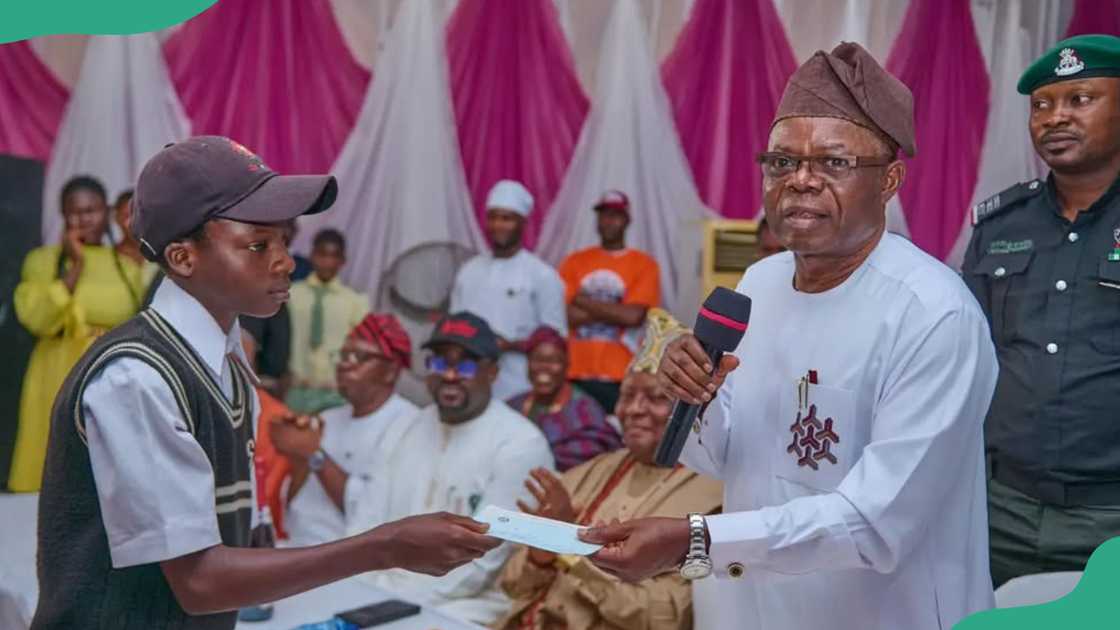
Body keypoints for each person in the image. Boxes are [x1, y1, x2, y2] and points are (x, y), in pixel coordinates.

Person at [576, 43, 999, 630]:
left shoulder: (933, 314)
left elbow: (876, 524)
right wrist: (693, 397)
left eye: (834, 163)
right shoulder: (758, 283)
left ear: (890, 180)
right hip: (751, 608)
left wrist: (696, 540)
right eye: (781, 162)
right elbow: (728, 458)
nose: (800, 181)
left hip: (879, 613)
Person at [31, 137, 500, 630]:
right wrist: (385, 546)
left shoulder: (227, 366)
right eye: (258, 245)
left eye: (283, 241)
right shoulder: (139, 378)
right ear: (183, 258)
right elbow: (201, 583)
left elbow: (236, 537)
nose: (284, 262)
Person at [964, 34, 1120, 587]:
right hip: (1000, 506)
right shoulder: (1001, 224)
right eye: (1042, 105)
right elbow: (966, 357)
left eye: (1080, 100)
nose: (1055, 118)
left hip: (1111, 519)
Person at [496, 309, 722, 630]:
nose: (634, 410)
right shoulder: (590, 471)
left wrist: (570, 548)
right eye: (627, 395)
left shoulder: (713, 498)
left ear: (689, 412)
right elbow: (511, 585)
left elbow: (667, 618)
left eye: (655, 398)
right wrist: (539, 555)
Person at [345, 311, 554, 625]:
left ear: (493, 373)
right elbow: (365, 521)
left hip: (467, 605)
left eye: (466, 365)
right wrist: (362, 588)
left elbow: (482, 564)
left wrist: (392, 604)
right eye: (440, 363)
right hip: (379, 590)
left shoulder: (521, 444)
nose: (450, 375)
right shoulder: (404, 426)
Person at [8, 175, 149, 493]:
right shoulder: (42, 261)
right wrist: (75, 266)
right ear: (63, 214)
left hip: (111, 369)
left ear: (107, 212)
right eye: (75, 212)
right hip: (56, 368)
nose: (84, 219)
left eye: (92, 210)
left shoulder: (127, 268)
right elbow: (37, 319)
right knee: (51, 462)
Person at [271, 313, 419, 547]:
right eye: (343, 355)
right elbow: (292, 505)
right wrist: (295, 454)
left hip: (347, 563)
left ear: (391, 370)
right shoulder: (327, 418)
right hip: (293, 548)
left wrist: (315, 455)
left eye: (360, 356)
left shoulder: (410, 426)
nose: (344, 364)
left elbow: (374, 514)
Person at [450, 180, 568, 400]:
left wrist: (509, 345)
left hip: (521, 388)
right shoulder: (468, 271)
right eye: (493, 217)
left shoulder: (542, 275)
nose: (498, 225)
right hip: (471, 387)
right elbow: (454, 327)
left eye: (506, 218)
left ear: (522, 223)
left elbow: (555, 342)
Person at [558, 190, 660, 413]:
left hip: (622, 372)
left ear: (627, 220)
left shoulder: (644, 264)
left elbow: (633, 317)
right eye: (604, 215)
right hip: (575, 370)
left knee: (617, 440)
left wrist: (582, 301)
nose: (609, 221)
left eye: (616, 215)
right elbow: (566, 316)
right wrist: (615, 311)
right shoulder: (574, 262)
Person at [507, 325, 621, 471]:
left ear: (567, 366)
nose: (544, 368)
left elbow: (595, 461)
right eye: (537, 360)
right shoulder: (514, 405)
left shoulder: (586, 412)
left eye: (554, 361)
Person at [286, 228, 370, 414]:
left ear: (343, 261)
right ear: (312, 255)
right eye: (322, 255)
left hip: (336, 393)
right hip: (297, 389)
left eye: (334, 256)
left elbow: (361, 349)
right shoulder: (291, 295)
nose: (327, 262)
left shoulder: (355, 302)